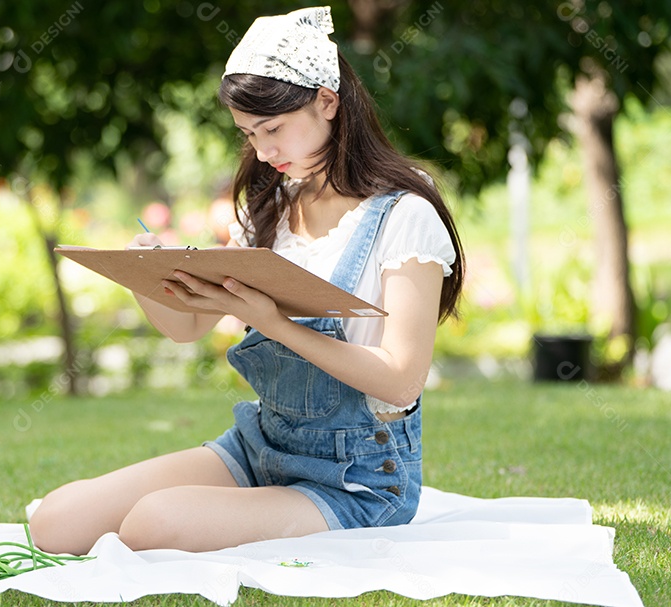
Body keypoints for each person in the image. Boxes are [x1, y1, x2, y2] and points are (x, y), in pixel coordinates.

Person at [29, 6, 464, 555]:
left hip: (358, 477)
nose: (263, 152)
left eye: (274, 129)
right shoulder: (272, 207)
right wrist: (144, 273)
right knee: (55, 521)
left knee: (153, 524)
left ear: (327, 101)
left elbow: (402, 380)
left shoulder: (403, 213)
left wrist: (273, 323)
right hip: (264, 445)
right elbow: (186, 327)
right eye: (249, 134)